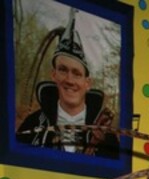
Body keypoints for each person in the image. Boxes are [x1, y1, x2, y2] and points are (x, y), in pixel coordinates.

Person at [16, 8, 119, 158]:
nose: (69, 80)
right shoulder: (32, 125)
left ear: (87, 83)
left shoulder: (106, 136)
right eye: (63, 70)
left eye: (77, 73)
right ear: (54, 75)